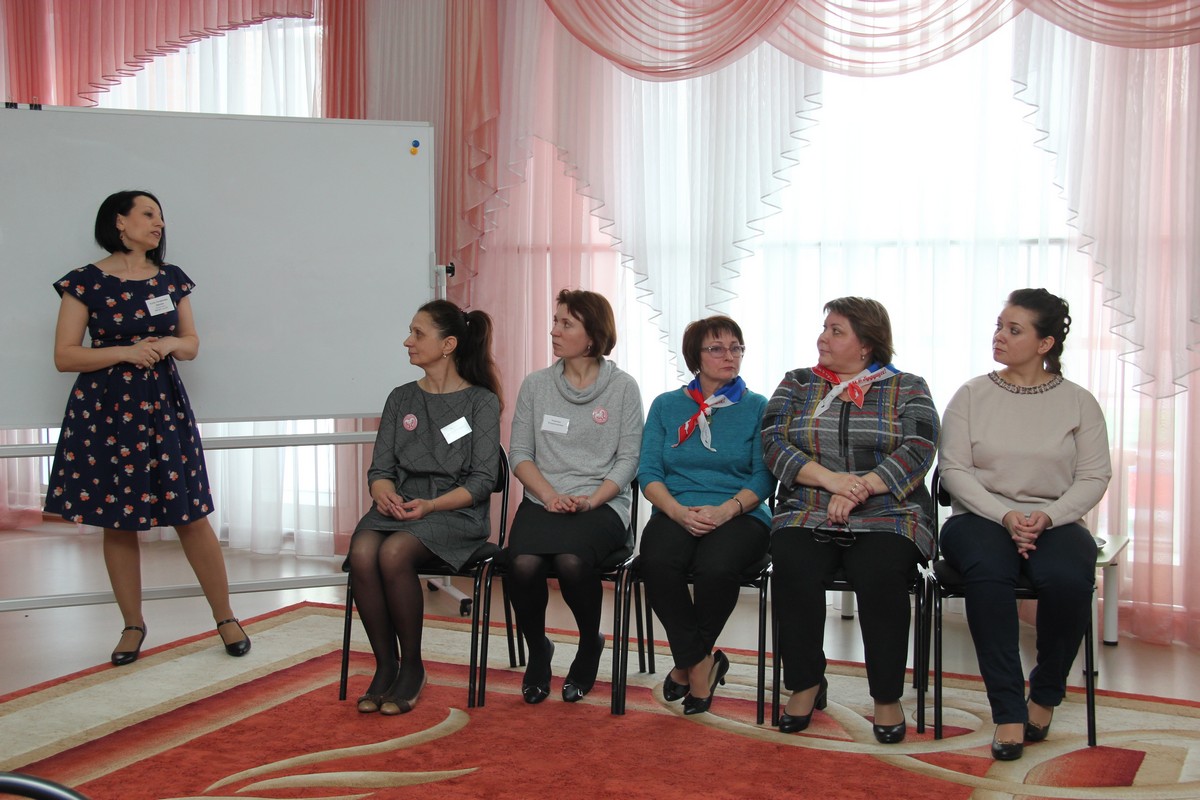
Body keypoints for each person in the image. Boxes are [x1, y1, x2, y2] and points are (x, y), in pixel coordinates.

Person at [45, 190, 250, 665]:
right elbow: (64, 355)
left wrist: (170, 344)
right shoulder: (84, 282)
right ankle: (132, 626)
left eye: (160, 216)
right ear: (120, 222)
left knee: (190, 514)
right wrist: (125, 352)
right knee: (118, 522)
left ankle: (226, 618)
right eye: (148, 214)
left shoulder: (171, 278)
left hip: (162, 406)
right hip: (106, 411)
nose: (159, 223)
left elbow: (191, 344)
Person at [938, 288, 1110, 761]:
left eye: (1013, 330)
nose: (999, 336)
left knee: (1069, 579)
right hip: (979, 518)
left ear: (1044, 343)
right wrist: (1005, 515)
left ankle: (1045, 694)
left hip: (1055, 519)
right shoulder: (971, 395)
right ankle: (1008, 710)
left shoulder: (1078, 402)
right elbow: (954, 470)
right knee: (989, 575)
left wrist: (1047, 516)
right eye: (999, 326)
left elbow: (1094, 476)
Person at [762, 297, 938, 742]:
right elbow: (773, 443)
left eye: (836, 330)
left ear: (866, 345)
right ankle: (806, 683)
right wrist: (832, 481)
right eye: (825, 328)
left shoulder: (908, 387)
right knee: (793, 565)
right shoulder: (798, 383)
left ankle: (886, 695)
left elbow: (920, 448)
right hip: (808, 506)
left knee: (880, 573)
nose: (823, 338)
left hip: (888, 511)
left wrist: (861, 488)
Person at [347, 299, 501, 715]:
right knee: (362, 551)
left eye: (418, 333)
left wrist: (431, 506)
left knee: (394, 552)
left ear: (448, 345)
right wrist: (383, 492)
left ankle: (412, 667)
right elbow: (381, 470)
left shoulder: (481, 402)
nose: (407, 341)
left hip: (455, 511)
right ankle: (385, 666)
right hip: (401, 504)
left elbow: (482, 482)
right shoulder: (401, 398)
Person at [506, 289, 643, 705]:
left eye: (566, 323)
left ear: (593, 336)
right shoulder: (536, 385)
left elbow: (629, 459)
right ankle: (539, 650)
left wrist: (592, 500)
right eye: (555, 321)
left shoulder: (622, 388)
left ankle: (588, 644)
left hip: (602, 504)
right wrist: (549, 496)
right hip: (543, 500)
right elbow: (520, 454)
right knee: (521, 564)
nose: (554, 330)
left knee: (571, 562)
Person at [637, 315, 774, 715]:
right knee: (657, 562)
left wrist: (726, 510)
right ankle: (702, 663)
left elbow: (764, 476)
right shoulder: (666, 405)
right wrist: (678, 512)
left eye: (736, 348)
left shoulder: (757, 406)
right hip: (677, 508)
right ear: (695, 358)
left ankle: (685, 666)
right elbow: (649, 472)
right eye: (717, 348)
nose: (729, 356)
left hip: (741, 512)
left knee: (716, 567)